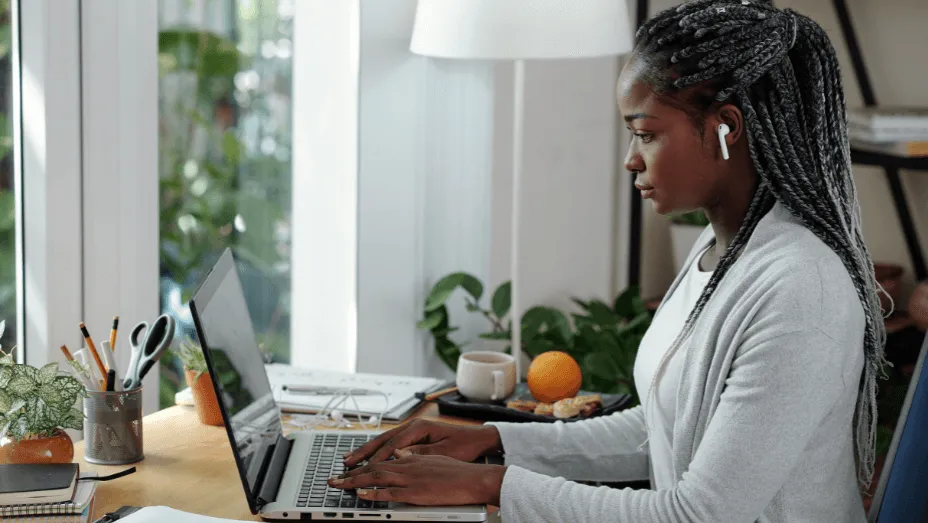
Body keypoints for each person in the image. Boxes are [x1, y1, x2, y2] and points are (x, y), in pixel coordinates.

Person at [328, 1, 888, 521]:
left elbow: (697, 514)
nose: (630, 160)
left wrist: (491, 485)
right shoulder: (726, 247)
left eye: (645, 134)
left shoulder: (800, 290)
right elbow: (668, 427)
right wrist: (498, 442)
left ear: (726, 127)